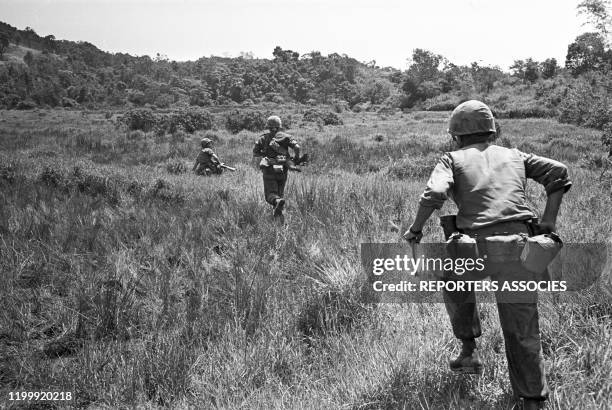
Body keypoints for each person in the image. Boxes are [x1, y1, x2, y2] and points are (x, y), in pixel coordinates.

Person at [403, 100, 571, 410]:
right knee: (522, 329)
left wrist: (415, 229)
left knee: (453, 281)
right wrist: (548, 221)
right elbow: (559, 172)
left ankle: (468, 350)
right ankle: (533, 401)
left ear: (455, 135)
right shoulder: (514, 155)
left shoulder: (451, 158)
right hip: (521, 248)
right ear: (491, 131)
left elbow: (435, 193)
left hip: (476, 249)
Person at [252, 115, 301, 217]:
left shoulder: (263, 138)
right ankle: (278, 217)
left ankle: (277, 203)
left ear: (268, 126)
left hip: (269, 170)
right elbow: (297, 147)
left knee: (270, 195)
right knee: (279, 193)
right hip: (283, 170)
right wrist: (296, 158)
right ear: (280, 126)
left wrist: (265, 155)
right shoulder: (287, 137)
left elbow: (255, 153)